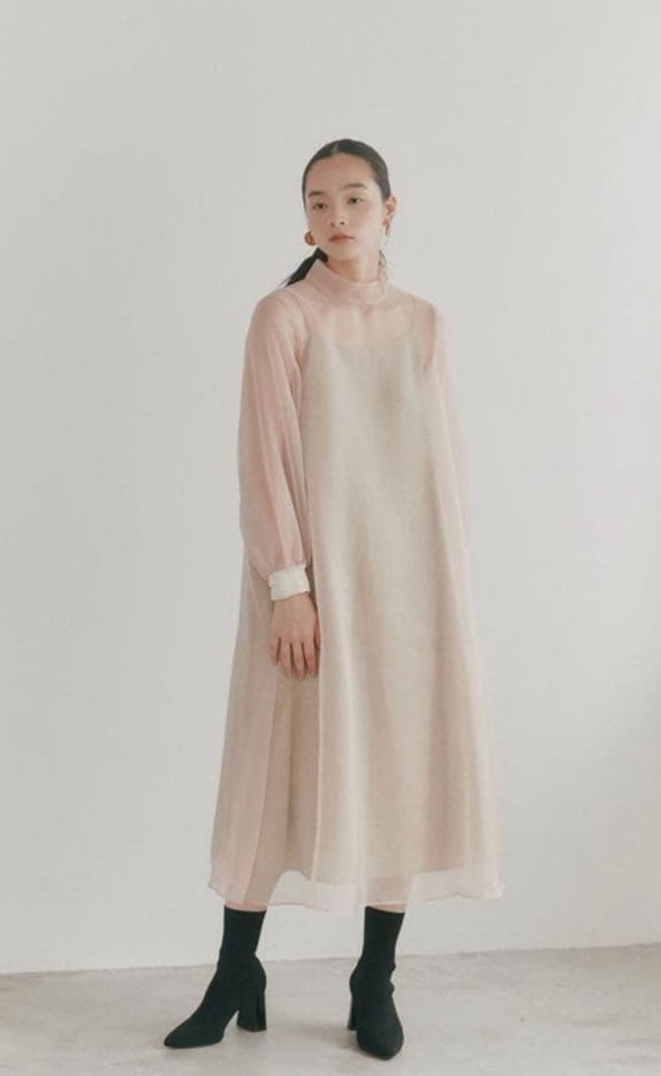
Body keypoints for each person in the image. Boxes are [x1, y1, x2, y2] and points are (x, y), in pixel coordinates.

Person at [163, 138, 504, 1060]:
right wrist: (289, 584)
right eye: (319, 202)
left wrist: (448, 589)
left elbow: (440, 463)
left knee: (399, 769)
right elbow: (264, 457)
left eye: (354, 198)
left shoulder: (425, 322)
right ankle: (237, 972)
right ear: (304, 222)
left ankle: (374, 978)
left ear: (390, 210)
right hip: (309, 584)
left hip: (410, 586)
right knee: (272, 768)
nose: (337, 216)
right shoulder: (284, 316)